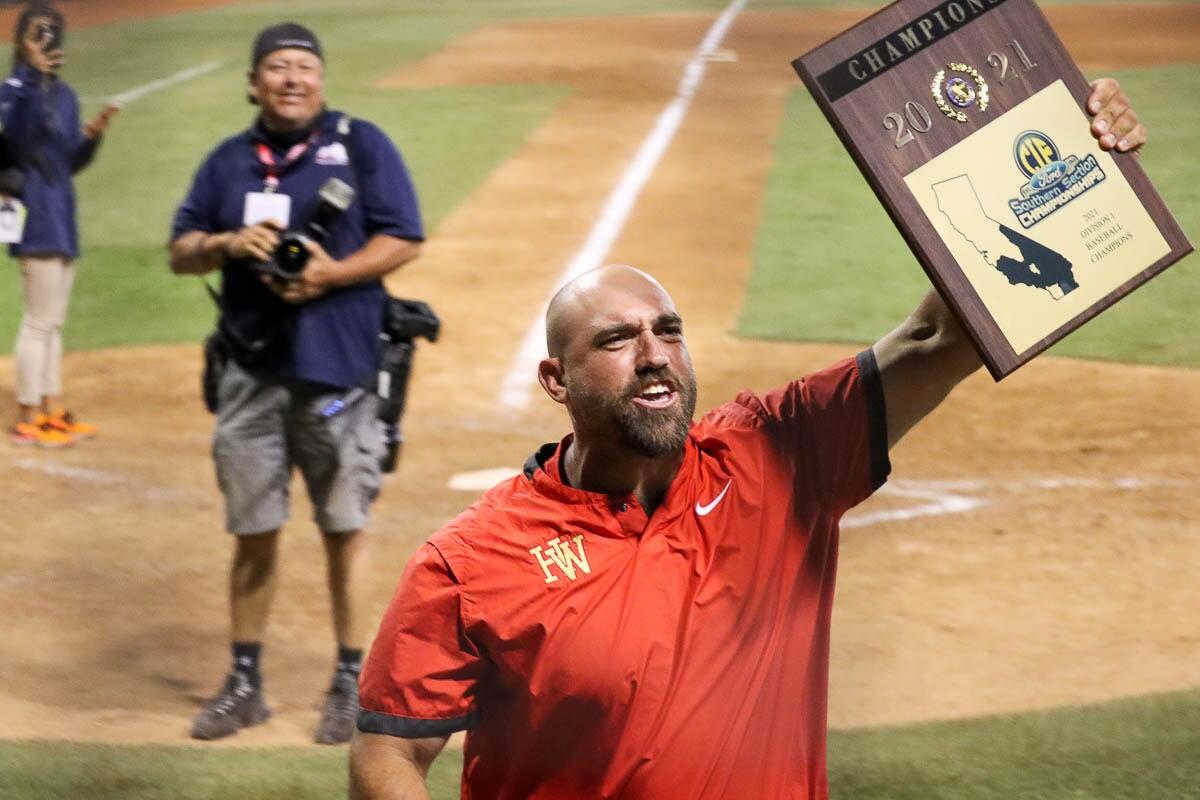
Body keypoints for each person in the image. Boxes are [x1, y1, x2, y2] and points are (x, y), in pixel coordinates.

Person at [348, 78, 1145, 798]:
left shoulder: (774, 455)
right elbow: (387, 754)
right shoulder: (471, 562)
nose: (655, 354)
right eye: (618, 339)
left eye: (668, 330)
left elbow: (943, 339)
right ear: (556, 381)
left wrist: (1071, 167)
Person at [168, 22, 423, 744]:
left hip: (339, 369)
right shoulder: (228, 162)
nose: (291, 78)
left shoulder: (361, 144)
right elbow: (180, 250)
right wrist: (223, 244)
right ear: (253, 83)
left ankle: (352, 682)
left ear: (320, 78)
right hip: (251, 376)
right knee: (253, 530)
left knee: (345, 528)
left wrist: (328, 274)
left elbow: (405, 235)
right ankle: (245, 683)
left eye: (304, 66)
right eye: (276, 67)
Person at [4, 1, 117, 447]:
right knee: (37, 320)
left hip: (62, 212)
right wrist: (30, 76)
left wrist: (92, 138)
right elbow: (12, 131)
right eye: (36, 32)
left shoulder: (66, 96)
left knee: (53, 321)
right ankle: (28, 414)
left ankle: (51, 409)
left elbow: (68, 161)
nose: (46, 40)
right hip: (34, 214)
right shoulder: (13, 89)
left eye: (52, 33)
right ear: (22, 40)